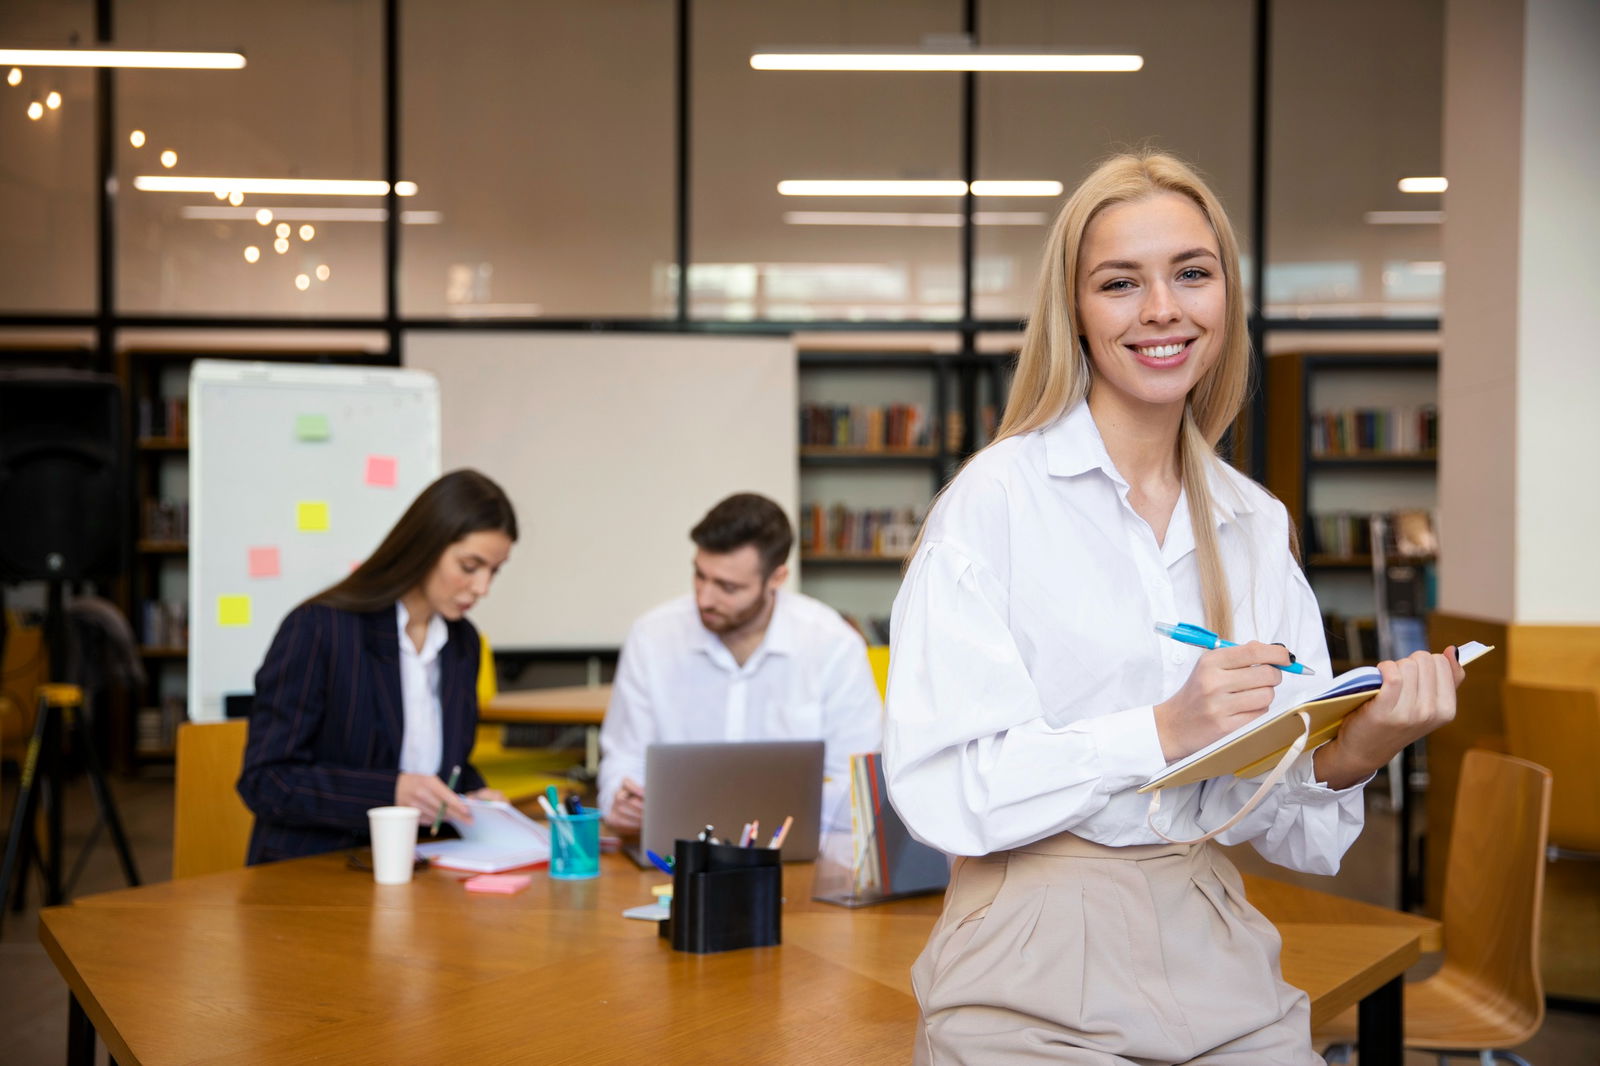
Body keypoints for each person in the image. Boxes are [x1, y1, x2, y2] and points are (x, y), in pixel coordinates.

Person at [884, 152, 1464, 1064]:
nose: (1164, 309)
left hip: (1211, 932)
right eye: (1121, 283)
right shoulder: (995, 502)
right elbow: (945, 785)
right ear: (1074, 310)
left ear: (1225, 296)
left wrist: (1367, 742)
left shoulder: (1252, 523)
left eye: (1193, 273)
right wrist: (1160, 730)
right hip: (1027, 956)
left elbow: (1288, 824)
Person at [238, 469, 517, 865]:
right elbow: (266, 781)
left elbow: (444, 765)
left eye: (494, 571)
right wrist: (390, 794)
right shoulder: (319, 629)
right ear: (425, 545)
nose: (482, 588)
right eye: (470, 567)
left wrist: (473, 799)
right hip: (316, 872)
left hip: (421, 869)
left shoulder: (462, 643)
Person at [598, 492, 882, 834]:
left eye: (727, 587)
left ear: (776, 578)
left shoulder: (833, 645)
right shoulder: (652, 637)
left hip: (794, 859)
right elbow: (622, 760)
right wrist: (621, 802)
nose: (704, 598)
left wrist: (748, 814)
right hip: (674, 857)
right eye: (700, 576)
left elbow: (859, 789)